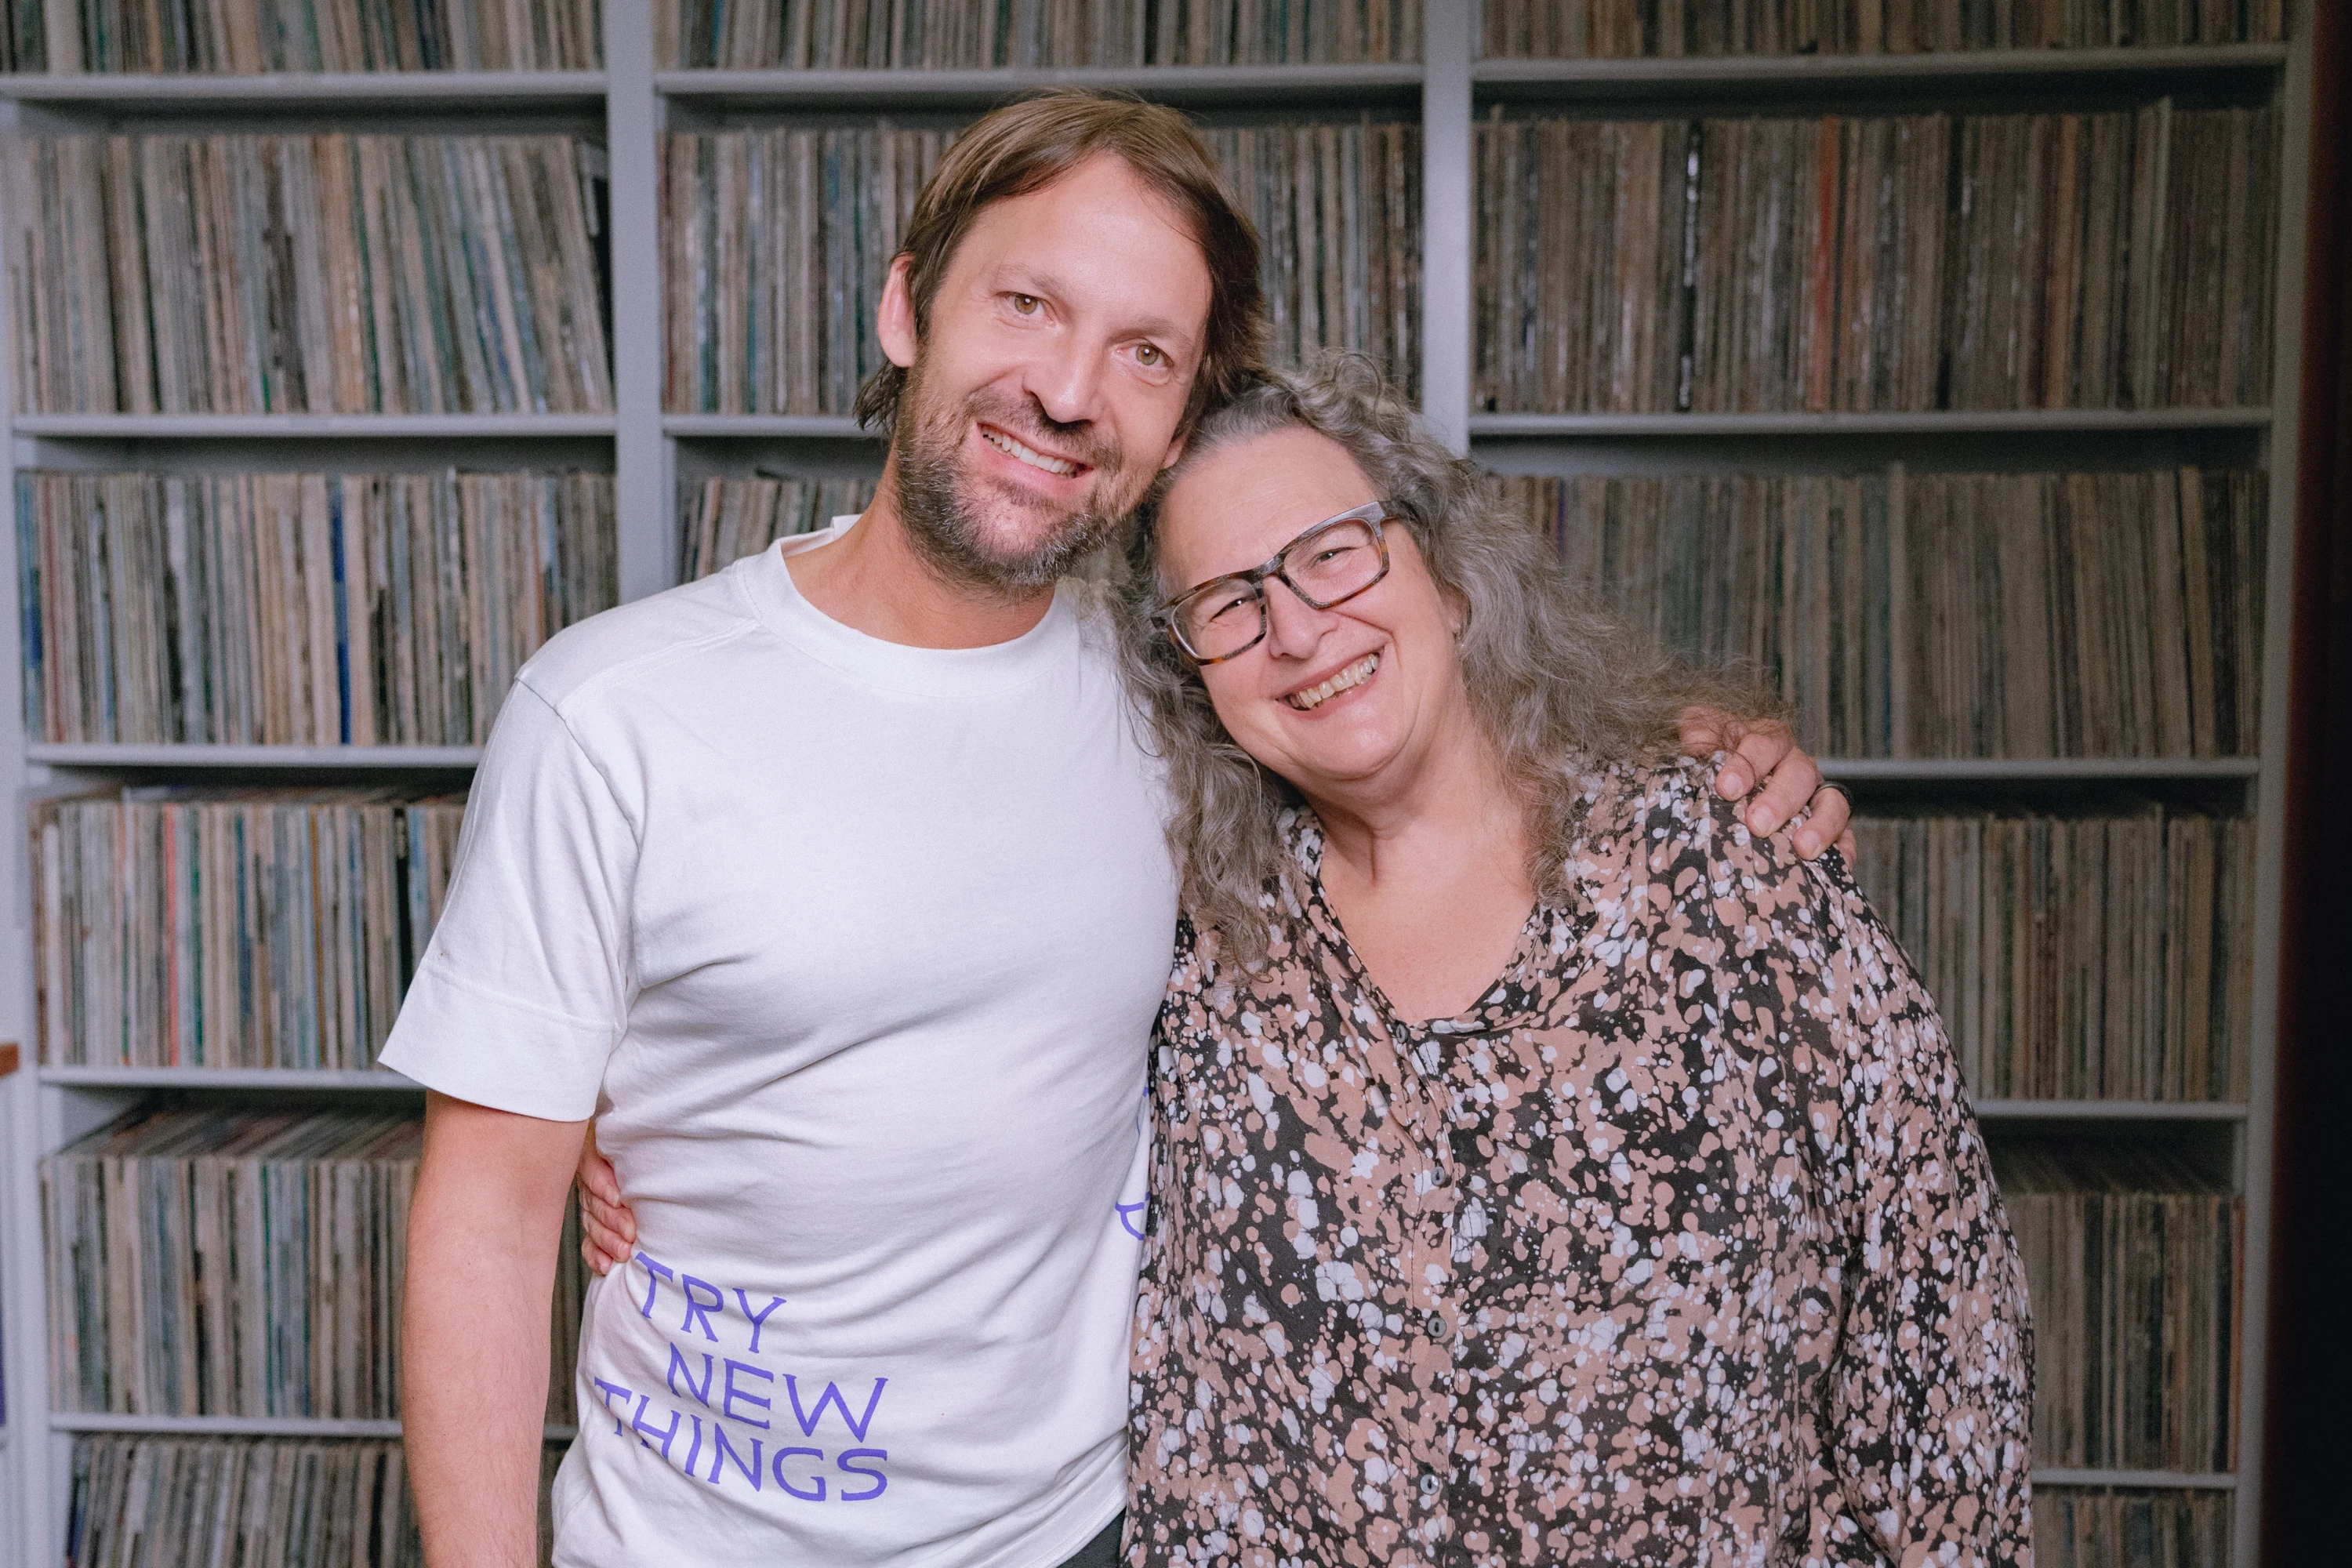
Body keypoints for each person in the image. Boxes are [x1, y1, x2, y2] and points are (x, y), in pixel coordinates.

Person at [394, 93, 1849, 1568]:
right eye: (1027, 304)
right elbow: (487, 1224)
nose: (1070, 390)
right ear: (909, 306)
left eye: (1143, 353)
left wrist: (1688, 763)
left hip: (1097, 1532)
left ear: (1177, 421)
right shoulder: (613, 713)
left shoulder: (1198, 691)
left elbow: (1442, 764)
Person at [1109, 359, 2033, 1564]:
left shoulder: (1727, 859)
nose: (1295, 628)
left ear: (1443, 575)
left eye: (1331, 552)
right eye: (1230, 602)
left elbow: (1940, 1315)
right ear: (1197, 675)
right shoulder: (1198, 945)